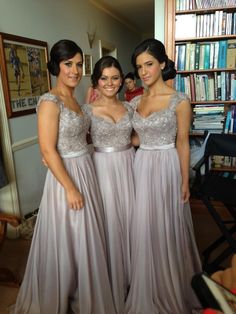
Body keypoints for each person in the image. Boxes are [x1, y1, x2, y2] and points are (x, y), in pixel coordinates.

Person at [13, 40, 116, 314]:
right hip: (66, 178)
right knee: (69, 235)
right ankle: (63, 291)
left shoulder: (78, 101)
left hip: (86, 169)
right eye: (68, 63)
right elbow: (47, 148)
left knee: (86, 235)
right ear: (56, 66)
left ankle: (83, 290)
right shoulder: (50, 101)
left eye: (79, 64)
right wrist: (70, 188)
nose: (75, 70)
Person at [125, 38, 202, 314]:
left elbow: (183, 143)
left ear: (162, 64)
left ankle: (170, 284)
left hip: (167, 164)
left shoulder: (179, 100)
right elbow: (134, 138)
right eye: (139, 67)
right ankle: (147, 283)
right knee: (143, 224)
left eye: (149, 64)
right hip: (142, 164)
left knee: (167, 224)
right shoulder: (135, 103)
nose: (144, 72)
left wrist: (184, 180)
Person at [83, 56, 135, 314]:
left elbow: (139, 137)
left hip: (130, 166)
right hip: (101, 168)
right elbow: (73, 139)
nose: (110, 83)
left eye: (115, 78)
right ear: (96, 81)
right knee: (109, 223)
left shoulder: (130, 107)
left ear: (122, 80)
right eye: (104, 78)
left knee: (132, 220)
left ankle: (133, 280)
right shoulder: (87, 110)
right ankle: (111, 282)